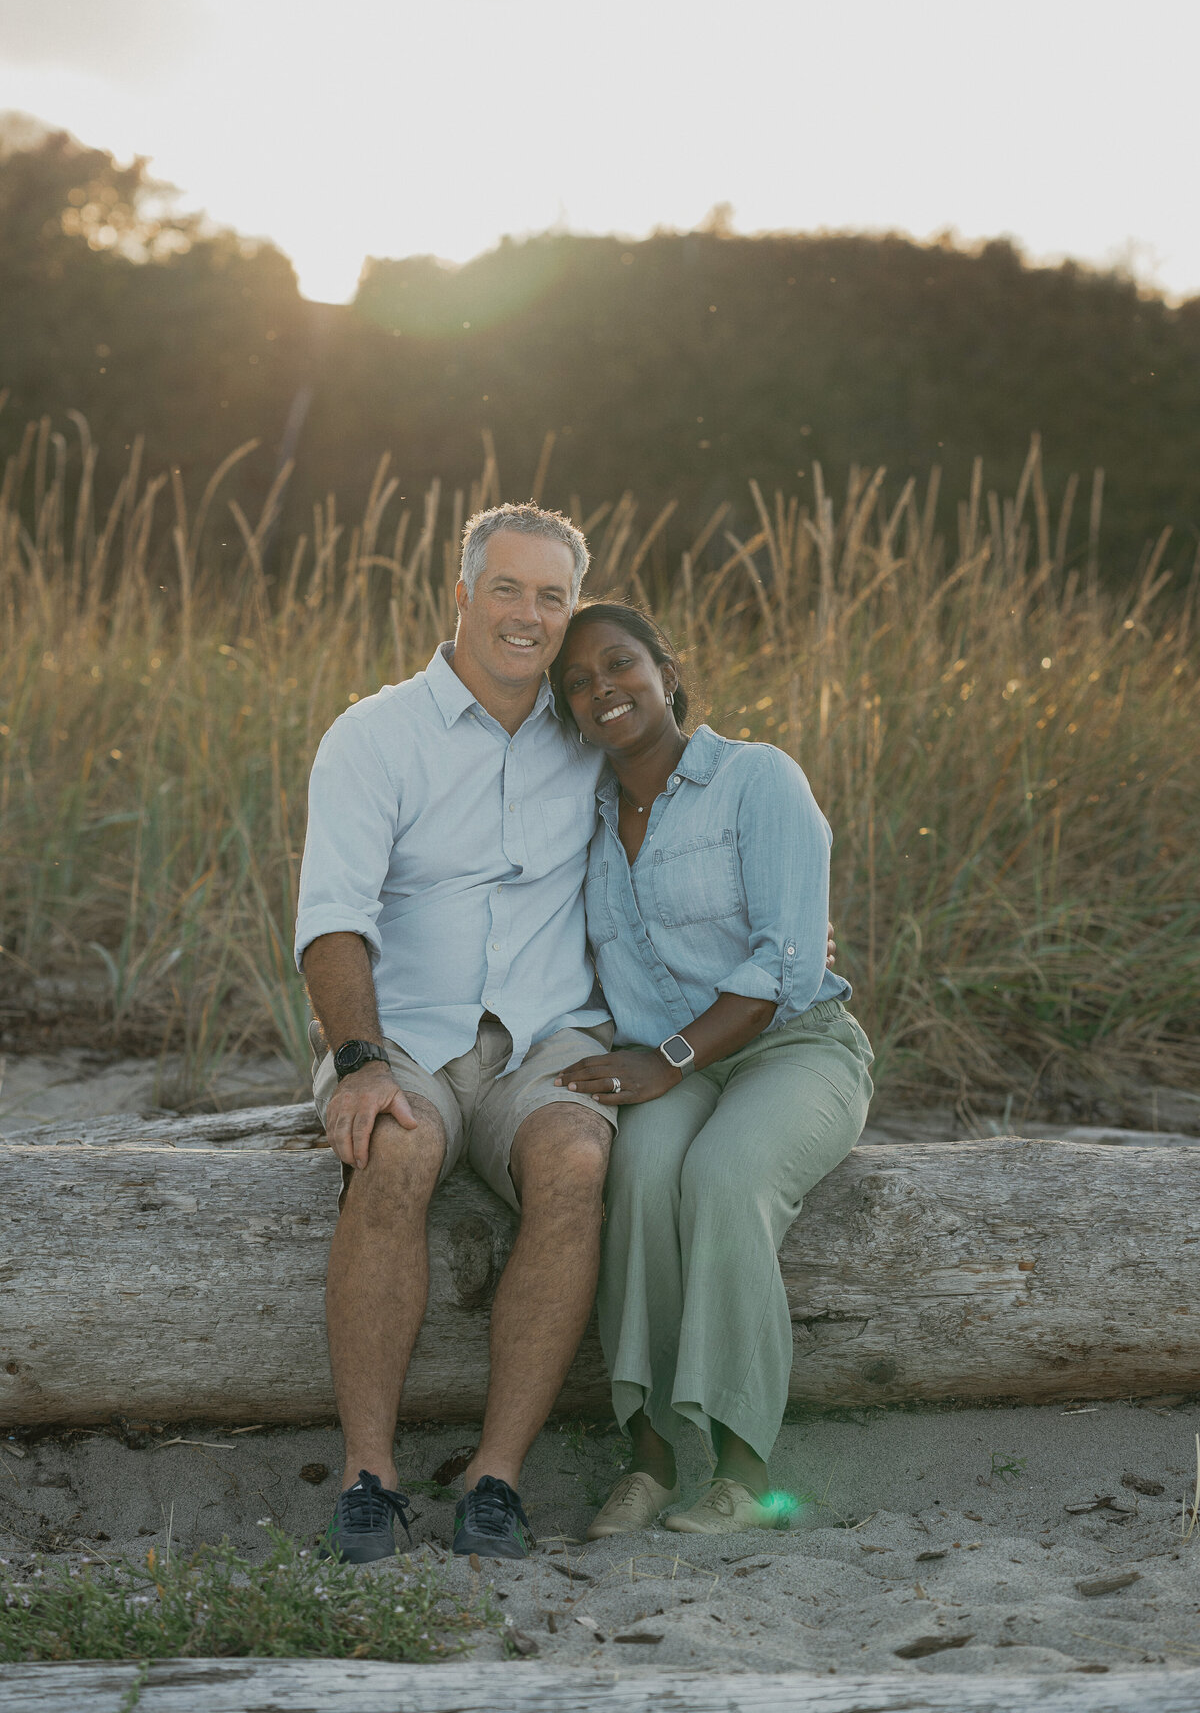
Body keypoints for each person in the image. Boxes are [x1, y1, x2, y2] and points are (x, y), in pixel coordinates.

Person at [294, 502, 617, 1563]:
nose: (529, 615)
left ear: (572, 611)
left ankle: (496, 1478)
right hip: (403, 1031)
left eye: (552, 597)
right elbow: (332, 919)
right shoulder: (374, 734)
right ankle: (369, 1477)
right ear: (464, 594)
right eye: (508, 589)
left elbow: (691, 818)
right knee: (398, 1146)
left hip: (547, 1036)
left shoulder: (594, 738)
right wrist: (358, 1062)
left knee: (576, 1156)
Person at [548, 602, 873, 1537]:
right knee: (642, 1175)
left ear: (668, 670)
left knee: (725, 1175)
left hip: (794, 1048)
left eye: (620, 663)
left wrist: (671, 1057)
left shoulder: (755, 777)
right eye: (579, 682)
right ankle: (649, 1459)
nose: (604, 689)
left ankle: (743, 1472)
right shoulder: (583, 818)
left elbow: (787, 963)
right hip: (669, 1065)